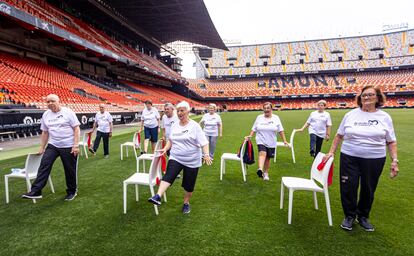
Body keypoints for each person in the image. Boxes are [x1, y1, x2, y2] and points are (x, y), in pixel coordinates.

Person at [324, 86, 399, 232]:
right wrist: (331, 152)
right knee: (348, 187)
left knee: (368, 188)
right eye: (364, 95)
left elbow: (391, 141)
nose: (366, 97)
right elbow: (339, 135)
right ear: (360, 98)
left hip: (374, 159)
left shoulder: (384, 117)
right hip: (349, 157)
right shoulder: (350, 114)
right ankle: (349, 216)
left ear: (377, 98)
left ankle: (363, 216)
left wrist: (394, 160)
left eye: (370, 95)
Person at [148, 101, 212, 214]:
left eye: (182, 110)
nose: (179, 113)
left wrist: (206, 154)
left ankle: (186, 203)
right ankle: (157, 196)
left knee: (189, 185)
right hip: (176, 156)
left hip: (192, 161)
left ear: (188, 111)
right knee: (169, 175)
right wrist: (166, 148)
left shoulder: (195, 126)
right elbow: (171, 140)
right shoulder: (175, 125)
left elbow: (204, 143)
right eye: (178, 111)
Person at [22, 94, 80, 201]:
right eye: (48, 102)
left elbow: (76, 129)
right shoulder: (46, 115)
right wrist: (42, 147)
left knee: (69, 170)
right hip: (53, 145)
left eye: (52, 101)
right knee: (44, 164)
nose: (50, 103)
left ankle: (72, 191)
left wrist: (75, 145)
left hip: (68, 146)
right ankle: (36, 191)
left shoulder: (68, 112)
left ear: (59, 101)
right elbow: (45, 132)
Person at [246, 102, 288, 181]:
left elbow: (280, 130)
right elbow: (254, 128)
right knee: (262, 153)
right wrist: (250, 136)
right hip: (260, 139)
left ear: (271, 109)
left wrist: (284, 140)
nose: (266, 110)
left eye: (268, 108)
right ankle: (260, 169)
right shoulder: (259, 117)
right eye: (264, 108)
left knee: (268, 158)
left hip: (271, 141)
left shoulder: (276, 118)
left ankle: (265, 173)